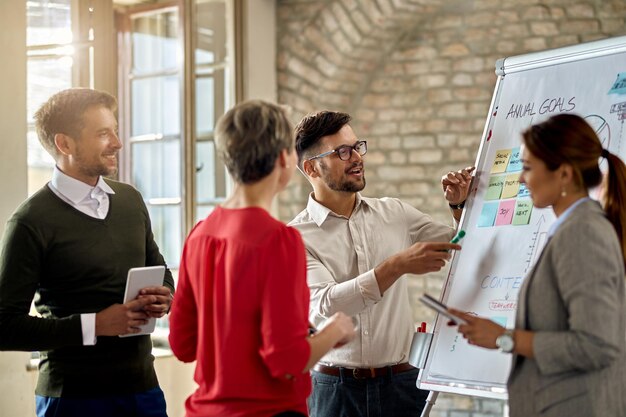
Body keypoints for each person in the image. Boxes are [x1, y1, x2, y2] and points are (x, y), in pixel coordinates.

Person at [168, 100, 355, 417]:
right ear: (284, 157)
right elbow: (286, 362)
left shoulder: (199, 235)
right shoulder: (278, 239)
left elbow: (183, 346)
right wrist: (335, 331)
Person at [0, 88, 174, 417]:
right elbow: (5, 326)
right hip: (71, 399)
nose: (118, 143)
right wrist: (96, 324)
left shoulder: (130, 200)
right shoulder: (29, 222)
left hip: (144, 391)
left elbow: (160, 268)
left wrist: (165, 294)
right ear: (65, 144)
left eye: (116, 131)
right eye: (103, 134)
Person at [288, 110, 473, 417]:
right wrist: (395, 265)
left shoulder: (395, 212)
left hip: (403, 384)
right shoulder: (295, 236)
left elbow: (458, 244)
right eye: (342, 152)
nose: (356, 158)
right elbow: (327, 303)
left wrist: (458, 207)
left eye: (357, 147)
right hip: (335, 391)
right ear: (312, 168)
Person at [452, 113, 626, 417]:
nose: (521, 179)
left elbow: (596, 345)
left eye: (529, 168)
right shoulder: (572, 229)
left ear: (564, 174)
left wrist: (505, 338)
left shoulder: (583, 233)